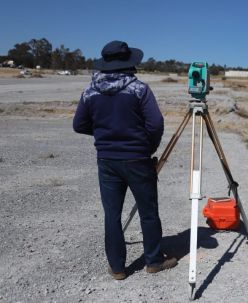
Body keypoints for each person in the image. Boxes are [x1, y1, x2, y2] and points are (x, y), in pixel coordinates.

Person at [73, 40, 177, 280]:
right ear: (129, 62)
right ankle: (153, 261)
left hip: (107, 160)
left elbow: (79, 125)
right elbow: (156, 124)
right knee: (148, 212)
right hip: (137, 159)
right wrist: (146, 145)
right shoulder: (139, 89)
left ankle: (118, 267)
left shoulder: (90, 91)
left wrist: (104, 133)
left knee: (112, 214)